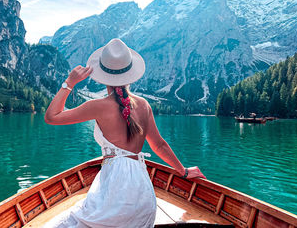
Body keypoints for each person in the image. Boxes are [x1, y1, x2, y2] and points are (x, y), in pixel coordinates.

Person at [43, 38, 206, 228]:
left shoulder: (98, 106)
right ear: (130, 73)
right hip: (143, 196)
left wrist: (69, 83)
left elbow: (51, 117)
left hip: (114, 190)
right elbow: (159, 145)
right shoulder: (144, 105)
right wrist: (183, 171)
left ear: (103, 75)